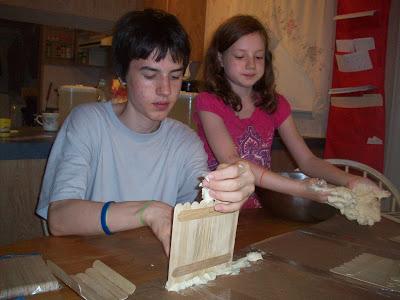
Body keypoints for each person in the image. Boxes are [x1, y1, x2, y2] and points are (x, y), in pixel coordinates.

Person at [36, 9, 255, 256]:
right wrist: (148, 211)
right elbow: (60, 218)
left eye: (175, 77)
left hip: (147, 267)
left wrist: (230, 188)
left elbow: (199, 208)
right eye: (150, 75)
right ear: (122, 74)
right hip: (88, 264)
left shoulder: (185, 141)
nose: (165, 90)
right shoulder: (88, 123)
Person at [194, 15, 378, 209]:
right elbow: (232, 161)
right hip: (218, 209)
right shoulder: (208, 102)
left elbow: (307, 160)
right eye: (240, 56)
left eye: (258, 57)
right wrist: (299, 188)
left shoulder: (275, 104)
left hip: (261, 210)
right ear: (220, 59)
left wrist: (351, 181)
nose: (251, 64)